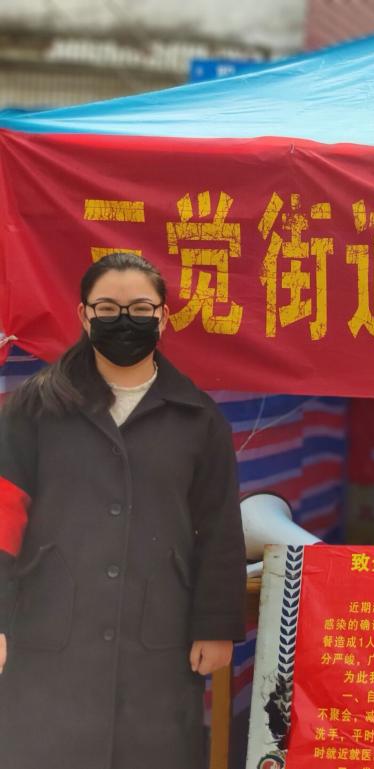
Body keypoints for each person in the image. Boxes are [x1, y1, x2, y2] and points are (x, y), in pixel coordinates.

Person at [0, 252, 247, 769]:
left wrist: (217, 624)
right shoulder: (33, 409)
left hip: (159, 634)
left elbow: (219, 527)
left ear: (163, 316)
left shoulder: (198, 418)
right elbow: (4, 518)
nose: (124, 321)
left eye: (139, 308)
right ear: (84, 315)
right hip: (49, 629)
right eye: (108, 309)